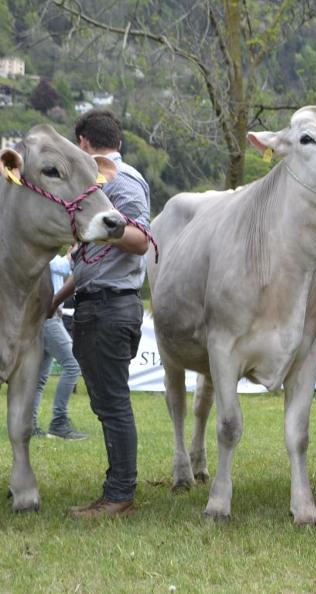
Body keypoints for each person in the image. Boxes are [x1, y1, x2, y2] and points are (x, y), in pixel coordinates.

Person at [51, 109, 151, 519]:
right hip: (99, 303)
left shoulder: (121, 183)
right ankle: (117, 489)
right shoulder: (98, 183)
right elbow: (95, 261)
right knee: (108, 402)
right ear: (119, 142)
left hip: (111, 308)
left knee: (112, 404)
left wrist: (96, 224)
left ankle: (119, 496)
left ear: (84, 144)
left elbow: (140, 240)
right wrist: (56, 298)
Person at [31, 253, 86, 440]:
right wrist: (78, 247)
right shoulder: (46, 252)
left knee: (40, 377)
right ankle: (58, 422)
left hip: (48, 316)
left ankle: (30, 425)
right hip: (48, 317)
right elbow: (63, 266)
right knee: (73, 365)